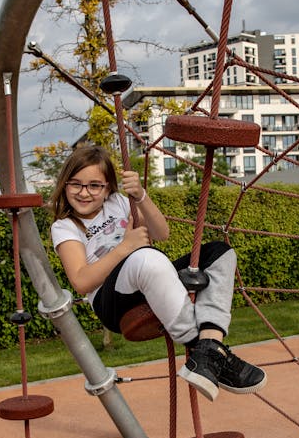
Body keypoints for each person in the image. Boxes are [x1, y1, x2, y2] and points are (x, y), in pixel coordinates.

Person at [49, 144, 266, 401]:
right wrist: (125, 247)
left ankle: (210, 343)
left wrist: (140, 195)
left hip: (149, 274)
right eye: (76, 184)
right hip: (112, 300)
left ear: (108, 188)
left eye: (94, 185)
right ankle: (201, 347)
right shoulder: (65, 226)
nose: (84, 193)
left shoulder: (119, 202)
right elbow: (81, 281)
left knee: (219, 253)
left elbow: (162, 233)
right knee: (145, 257)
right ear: (65, 185)